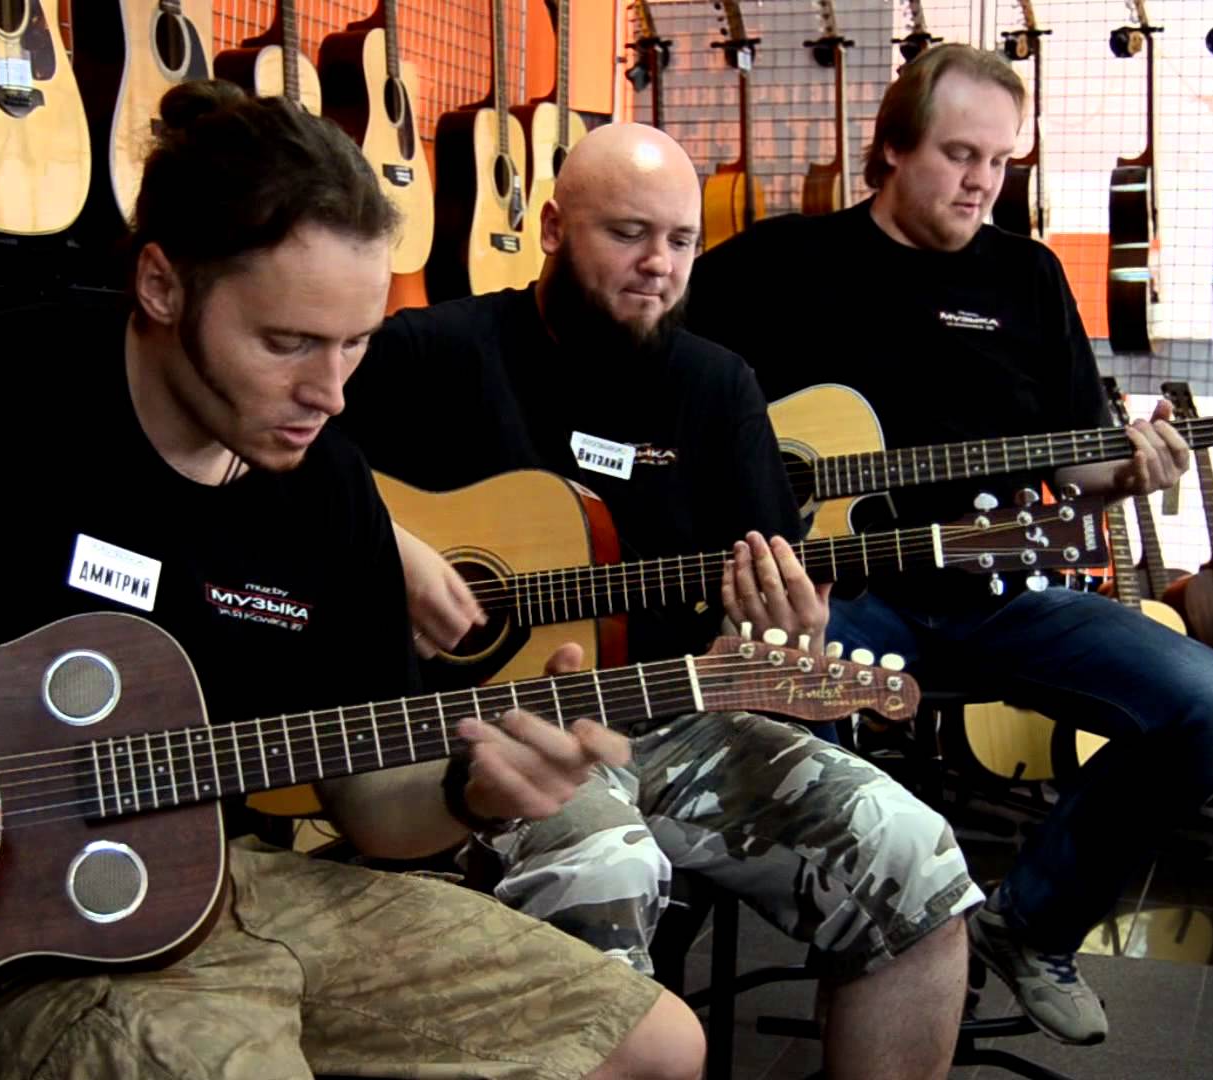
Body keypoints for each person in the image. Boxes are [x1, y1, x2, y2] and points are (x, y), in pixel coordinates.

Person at [0, 82, 705, 1080]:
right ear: (161, 285)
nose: (331, 392)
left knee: (656, 1047)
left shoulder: (328, 487)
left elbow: (370, 803)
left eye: (354, 343)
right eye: (288, 343)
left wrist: (472, 791)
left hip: (221, 887)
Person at [335, 123, 980, 1080]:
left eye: (681, 241)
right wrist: (396, 552)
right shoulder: (432, 351)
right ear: (552, 228)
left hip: (669, 714)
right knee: (605, 871)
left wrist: (782, 633)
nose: (659, 265)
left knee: (914, 855)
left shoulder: (716, 387)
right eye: (628, 233)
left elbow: (771, 605)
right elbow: (279, 470)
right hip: (484, 732)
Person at [684, 43, 1213, 1047]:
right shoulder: (775, 266)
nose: (982, 181)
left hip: (998, 593)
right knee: (786, 710)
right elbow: (667, 400)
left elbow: (1079, 461)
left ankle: (1028, 927)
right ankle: (873, 964)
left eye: (999, 160)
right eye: (959, 154)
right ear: (892, 150)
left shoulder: (1026, 277)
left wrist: (1134, 469)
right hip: (838, 598)